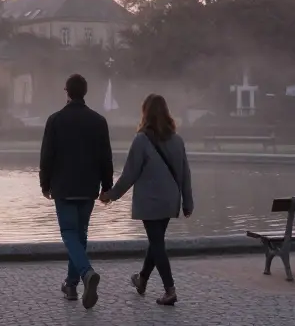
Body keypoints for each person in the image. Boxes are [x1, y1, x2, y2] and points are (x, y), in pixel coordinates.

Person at [100, 94, 193, 306]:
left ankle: (170, 289)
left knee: (157, 242)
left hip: (151, 201)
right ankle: (142, 280)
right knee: (156, 241)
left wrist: (111, 195)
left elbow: (129, 174)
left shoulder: (141, 140)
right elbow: (185, 173)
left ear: (145, 113)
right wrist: (188, 202)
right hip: (170, 200)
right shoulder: (177, 141)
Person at [40, 73, 114, 309]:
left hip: (63, 186)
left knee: (69, 233)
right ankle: (71, 285)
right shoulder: (98, 121)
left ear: (67, 92)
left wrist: (45, 183)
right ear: (85, 92)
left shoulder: (55, 120)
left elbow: (47, 156)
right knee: (80, 233)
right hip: (88, 186)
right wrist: (107, 185)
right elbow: (106, 156)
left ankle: (86, 273)